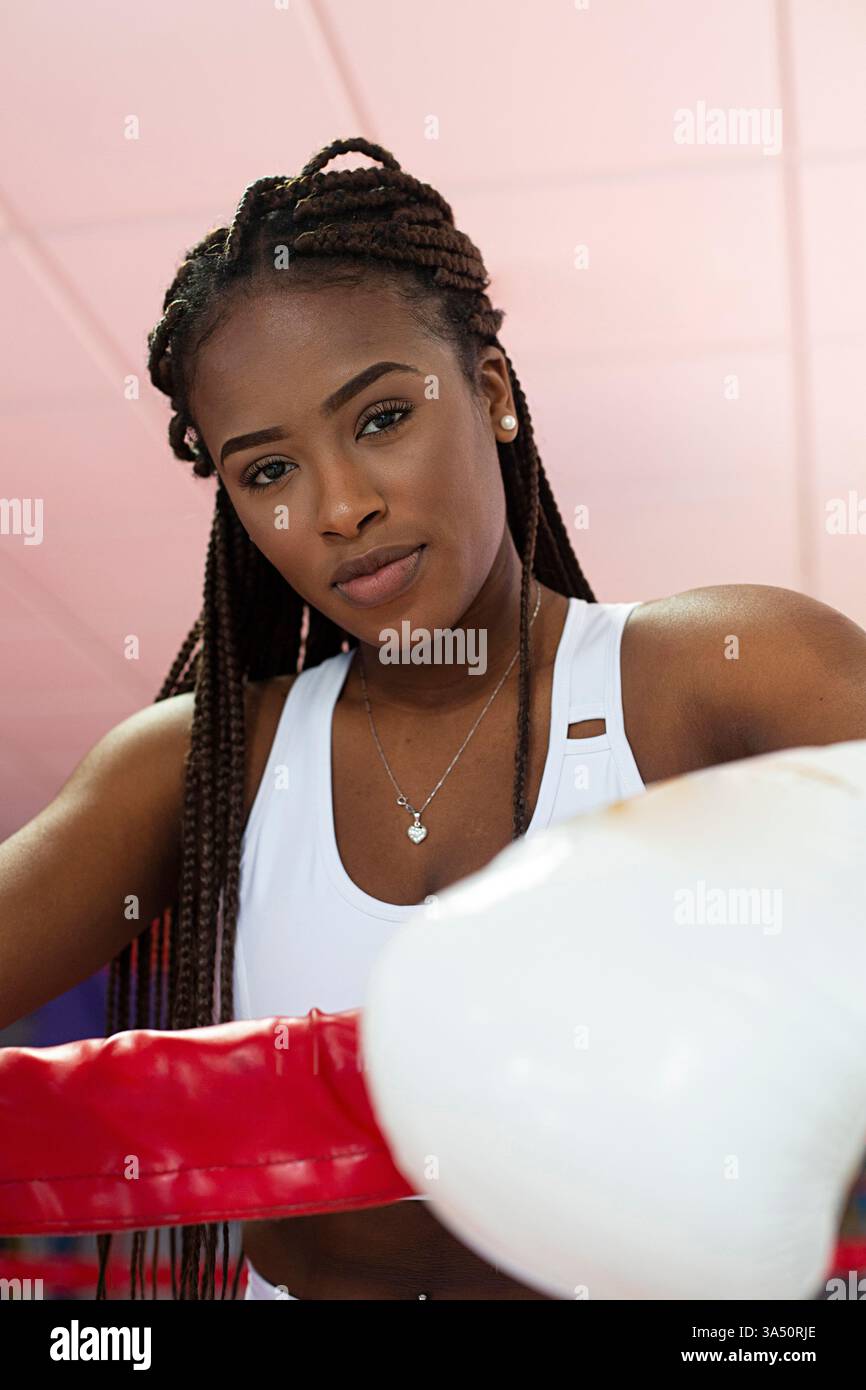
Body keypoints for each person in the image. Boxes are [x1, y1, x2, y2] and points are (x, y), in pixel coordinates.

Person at [1, 135, 865, 1301]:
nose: (342, 506)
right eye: (267, 472)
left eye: (378, 419)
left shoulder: (718, 672)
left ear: (491, 393)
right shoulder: (205, 762)